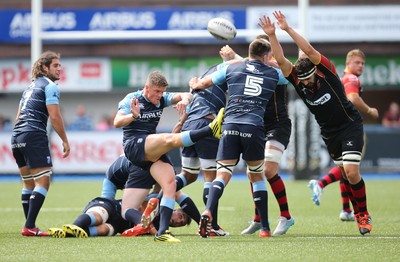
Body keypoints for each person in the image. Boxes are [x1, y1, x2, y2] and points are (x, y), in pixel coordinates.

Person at [259, 11, 372, 235]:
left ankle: (363, 215)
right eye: (303, 81)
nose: (307, 84)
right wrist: (272, 35)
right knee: (345, 175)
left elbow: (309, 50)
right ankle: (355, 211)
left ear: (315, 72)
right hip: (329, 134)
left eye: (309, 79)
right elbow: (281, 60)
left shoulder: (326, 72)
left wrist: (286, 29)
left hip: (349, 125)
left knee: (351, 172)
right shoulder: (298, 79)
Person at [191, 38, 288, 238]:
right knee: (257, 175)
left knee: (222, 175)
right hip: (253, 127)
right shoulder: (273, 73)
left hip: (230, 126)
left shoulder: (231, 69)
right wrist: (272, 62)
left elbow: (202, 84)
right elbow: (290, 72)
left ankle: (208, 210)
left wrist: (194, 83)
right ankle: (265, 229)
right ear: (266, 56)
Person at [113, 70, 223, 242]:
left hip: (150, 150)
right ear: (147, 87)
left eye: (162, 92)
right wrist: (132, 115)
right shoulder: (132, 99)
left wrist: (185, 100)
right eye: (156, 91)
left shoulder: (162, 99)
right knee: (168, 138)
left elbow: (186, 94)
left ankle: (162, 232)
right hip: (134, 145)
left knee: (170, 184)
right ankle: (210, 129)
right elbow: (117, 122)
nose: (160, 95)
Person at [219, 41, 294, 236]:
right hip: (256, 124)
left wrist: (234, 57)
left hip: (277, 125)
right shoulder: (249, 67)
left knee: (267, 170)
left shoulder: (277, 70)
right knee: (254, 173)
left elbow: (288, 68)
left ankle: (286, 216)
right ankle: (259, 219)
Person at [308, 49, 379, 222]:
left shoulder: (341, 78)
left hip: (335, 128)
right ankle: (323, 184)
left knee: (346, 169)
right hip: (350, 127)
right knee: (351, 168)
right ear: (348, 64)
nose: (360, 66)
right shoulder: (352, 79)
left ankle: (346, 209)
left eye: (362, 63)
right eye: (357, 62)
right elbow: (353, 98)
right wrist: (370, 110)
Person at [11, 51, 70, 237]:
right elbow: (54, 116)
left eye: (60, 65)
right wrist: (65, 140)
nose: (60, 68)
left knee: (28, 184)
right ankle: (29, 226)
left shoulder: (28, 88)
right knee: (43, 181)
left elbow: (18, 117)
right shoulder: (50, 86)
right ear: (44, 68)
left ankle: (29, 225)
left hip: (17, 136)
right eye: (55, 65)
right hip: (33, 134)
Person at [168, 63, 229, 237]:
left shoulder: (197, 81)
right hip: (206, 124)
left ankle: (157, 197)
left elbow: (188, 106)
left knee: (188, 175)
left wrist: (179, 124)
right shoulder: (224, 74)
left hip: (189, 127)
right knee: (210, 176)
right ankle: (213, 226)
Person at [48, 196, 191, 238]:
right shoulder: (158, 204)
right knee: (98, 217)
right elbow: (142, 206)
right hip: (112, 208)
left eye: (181, 223)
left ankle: (67, 233)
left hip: (119, 225)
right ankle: (75, 226)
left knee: (103, 230)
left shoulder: (161, 227)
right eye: (181, 216)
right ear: (174, 210)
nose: (179, 221)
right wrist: (154, 231)